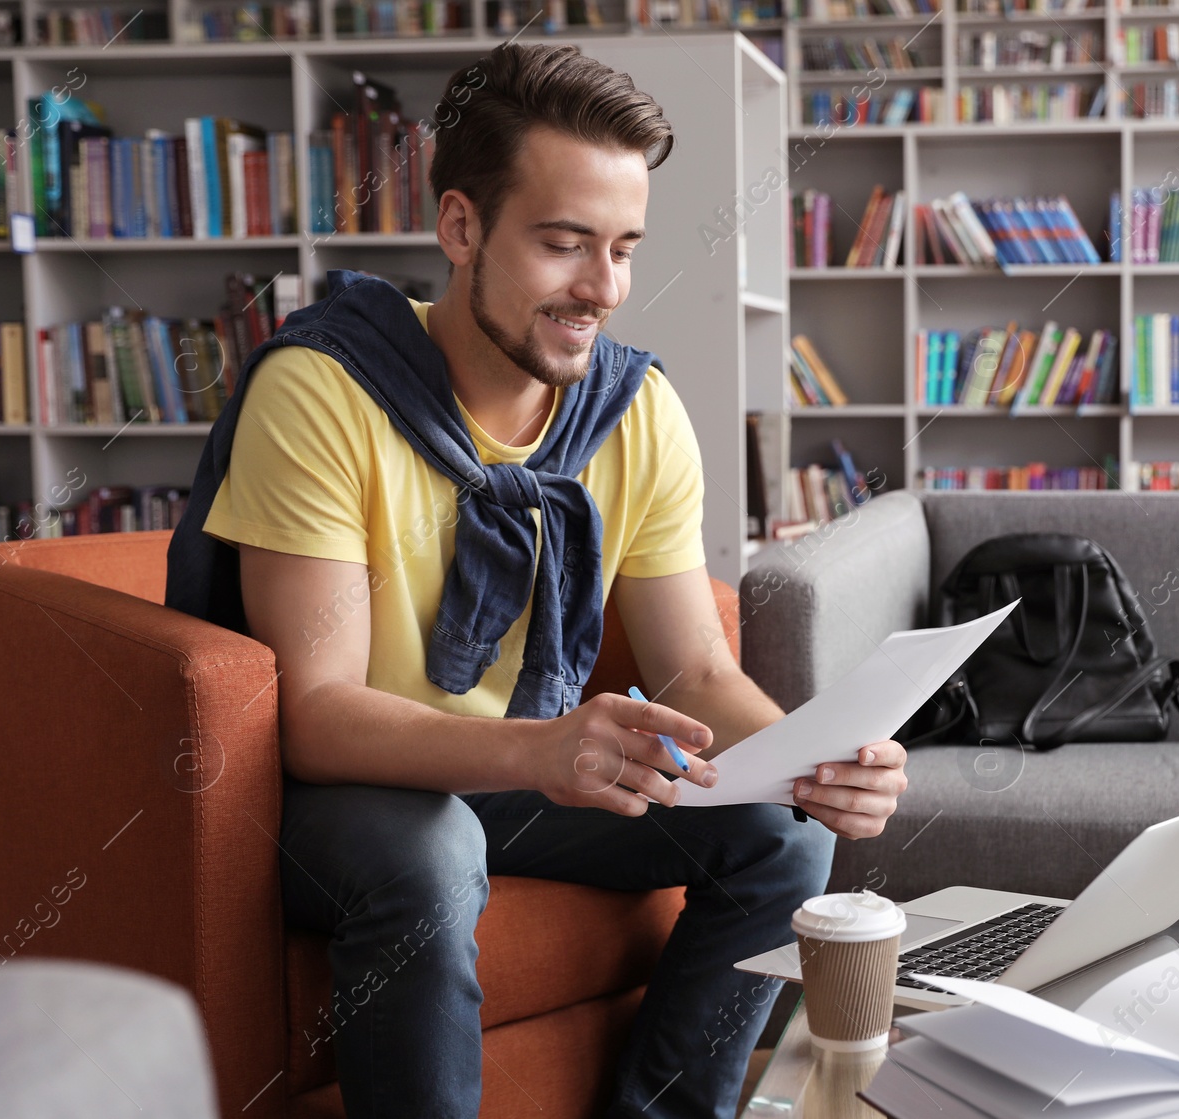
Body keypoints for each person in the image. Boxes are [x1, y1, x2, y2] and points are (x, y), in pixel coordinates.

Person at [164, 42, 909, 1119]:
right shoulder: (322, 391)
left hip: (527, 774)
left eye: (621, 248)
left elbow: (693, 667)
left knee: (782, 836)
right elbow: (314, 718)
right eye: (563, 245)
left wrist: (810, 763)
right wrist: (541, 748)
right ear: (461, 226)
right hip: (345, 794)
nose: (600, 289)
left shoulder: (635, 411)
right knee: (431, 848)